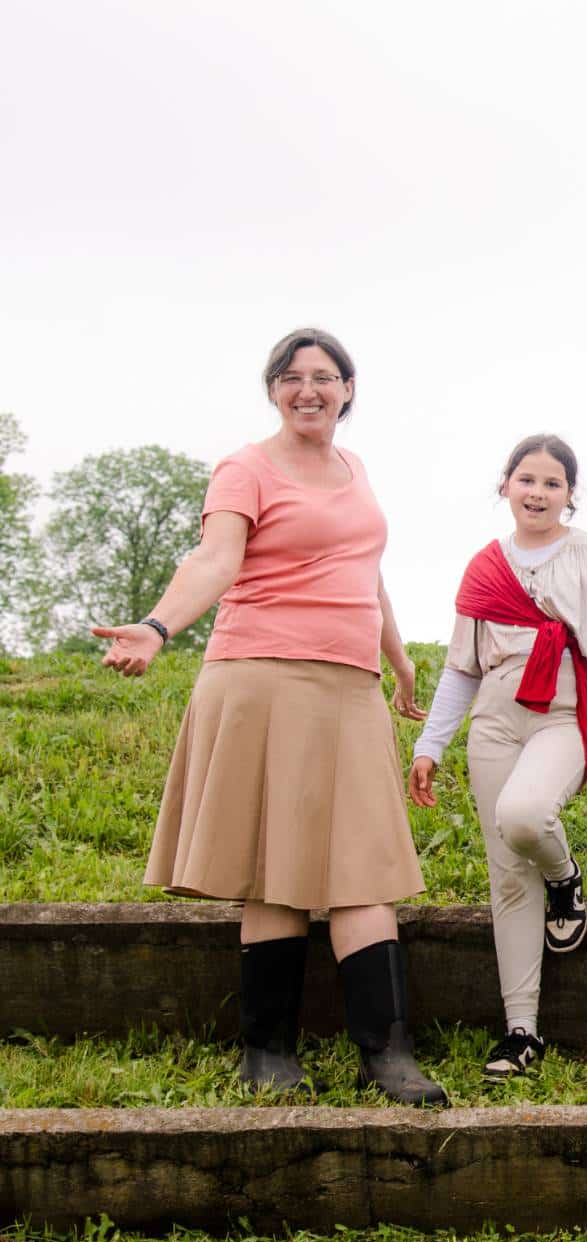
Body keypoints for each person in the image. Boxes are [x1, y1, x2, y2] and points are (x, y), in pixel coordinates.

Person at [92, 327, 445, 1105]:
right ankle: (267, 1052)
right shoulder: (245, 468)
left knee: (366, 865)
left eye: (323, 376)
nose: (307, 389)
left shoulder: (356, 469)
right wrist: (155, 627)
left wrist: (398, 660)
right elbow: (215, 559)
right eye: (291, 376)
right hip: (263, 677)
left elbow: (366, 571)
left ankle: (388, 1054)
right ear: (273, 390)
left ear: (348, 389)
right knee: (274, 871)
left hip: (350, 687)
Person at [408, 435, 587, 1080]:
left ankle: (565, 878)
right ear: (505, 485)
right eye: (526, 479)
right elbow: (460, 669)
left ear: (570, 495)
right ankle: (521, 1031)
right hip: (495, 717)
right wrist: (430, 745)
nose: (537, 492)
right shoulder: (485, 566)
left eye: (552, 483)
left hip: (566, 708)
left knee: (526, 814)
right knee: (507, 875)